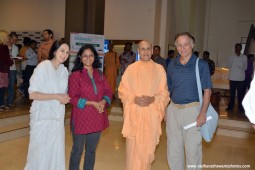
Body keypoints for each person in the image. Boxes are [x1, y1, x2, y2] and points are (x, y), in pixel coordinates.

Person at [118, 40, 170, 170]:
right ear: (138, 51)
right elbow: (122, 91)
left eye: (148, 49)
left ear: (152, 51)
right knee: (133, 151)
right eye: (143, 49)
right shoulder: (131, 69)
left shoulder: (159, 69)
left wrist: (153, 99)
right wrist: (134, 99)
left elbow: (164, 93)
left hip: (150, 116)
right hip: (134, 116)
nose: (145, 51)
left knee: (146, 153)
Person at [166, 32, 212, 169]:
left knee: (193, 151)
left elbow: (208, 91)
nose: (182, 48)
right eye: (179, 45)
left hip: (192, 111)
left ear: (192, 45)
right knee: (173, 150)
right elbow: (168, 89)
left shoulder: (201, 64)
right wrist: (165, 109)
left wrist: (203, 113)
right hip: (173, 110)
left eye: (186, 44)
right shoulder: (172, 64)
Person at [24, 40, 70, 170]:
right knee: (39, 153)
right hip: (42, 117)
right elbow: (32, 94)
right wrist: (56, 96)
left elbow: (62, 93)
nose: (64, 54)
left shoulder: (64, 71)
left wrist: (64, 98)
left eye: (67, 52)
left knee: (55, 152)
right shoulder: (43, 66)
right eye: (62, 50)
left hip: (57, 118)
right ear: (55, 51)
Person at [68, 44, 113, 170]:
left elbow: (108, 91)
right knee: (77, 150)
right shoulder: (75, 75)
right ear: (80, 58)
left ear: (95, 57)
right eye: (85, 56)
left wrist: (103, 101)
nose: (88, 58)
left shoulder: (99, 74)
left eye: (91, 55)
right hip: (81, 117)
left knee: (91, 151)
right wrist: (92, 103)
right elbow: (72, 97)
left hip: (97, 116)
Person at [226, 43, 247, 112]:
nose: (237, 49)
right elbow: (228, 66)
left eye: (239, 47)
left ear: (241, 49)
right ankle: (230, 107)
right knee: (232, 93)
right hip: (232, 77)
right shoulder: (231, 57)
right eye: (236, 47)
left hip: (240, 78)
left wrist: (240, 66)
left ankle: (241, 108)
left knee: (240, 94)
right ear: (235, 48)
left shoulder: (244, 57)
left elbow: (245, 67)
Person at [0, 30, 13, 112]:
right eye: (7, 36)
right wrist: (11, 61)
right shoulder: (3, 47)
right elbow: (7, 60)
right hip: (2, 70)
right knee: (2, 89)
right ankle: (1, 105)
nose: (8, 37)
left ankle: (1, 104)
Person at [6, 32, 19, 108]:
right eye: (13, 39)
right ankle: (2, 103)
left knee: (11, 86)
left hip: (13, 68)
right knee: (3, 86)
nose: (14, 41)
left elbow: (16, 59)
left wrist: (18, 59)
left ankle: (10, 102)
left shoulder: (16, 48)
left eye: (16, 40)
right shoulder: (3, 46)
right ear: (9, 38)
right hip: (4, 69)